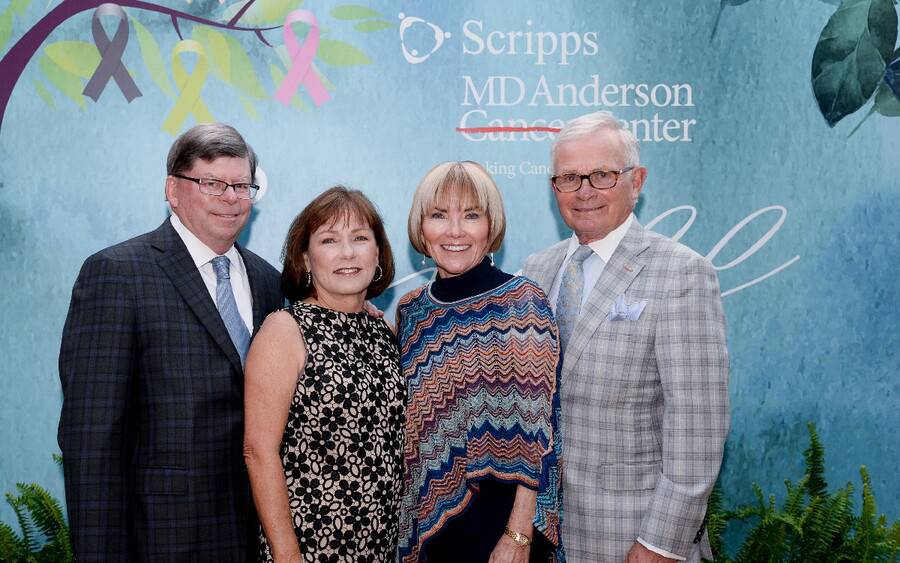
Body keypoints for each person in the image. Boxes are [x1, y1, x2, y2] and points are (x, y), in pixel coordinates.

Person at [57, 123, 283, 561]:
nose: (230, 197)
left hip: (253, 536)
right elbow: (92, 439)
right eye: (212, 183)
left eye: (241, 185)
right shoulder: (118, 274)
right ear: (173, 190)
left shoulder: (268, 281)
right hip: (161, 538)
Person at [522, 111, 729, 563]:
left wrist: (660, 544)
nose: (585, 191)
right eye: (570, 178)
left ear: (637, 181)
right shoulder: (536, 271)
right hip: (540, 534)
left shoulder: (682, 273)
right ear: (554, 188)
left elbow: (698, 431)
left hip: (632, 538)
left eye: (602, 174)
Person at [397, 161, 564, 563]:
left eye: (471, 215)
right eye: (439, 215)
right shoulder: (412, 312)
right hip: (430, 526)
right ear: (422, 228)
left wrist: (518, 536)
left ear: (492, 227)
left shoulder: (523, 304)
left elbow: (541, 439)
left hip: (502, 527)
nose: (455, 231)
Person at [243, 186, 405, 563]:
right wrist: (287, 555)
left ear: (378, 253)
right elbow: (258, 451)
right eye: (329, 240)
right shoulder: (285, 330)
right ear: (306, 258)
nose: (347, 253)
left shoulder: (384, 332)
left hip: (379, 544)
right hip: (309, 544)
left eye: (360, 238)